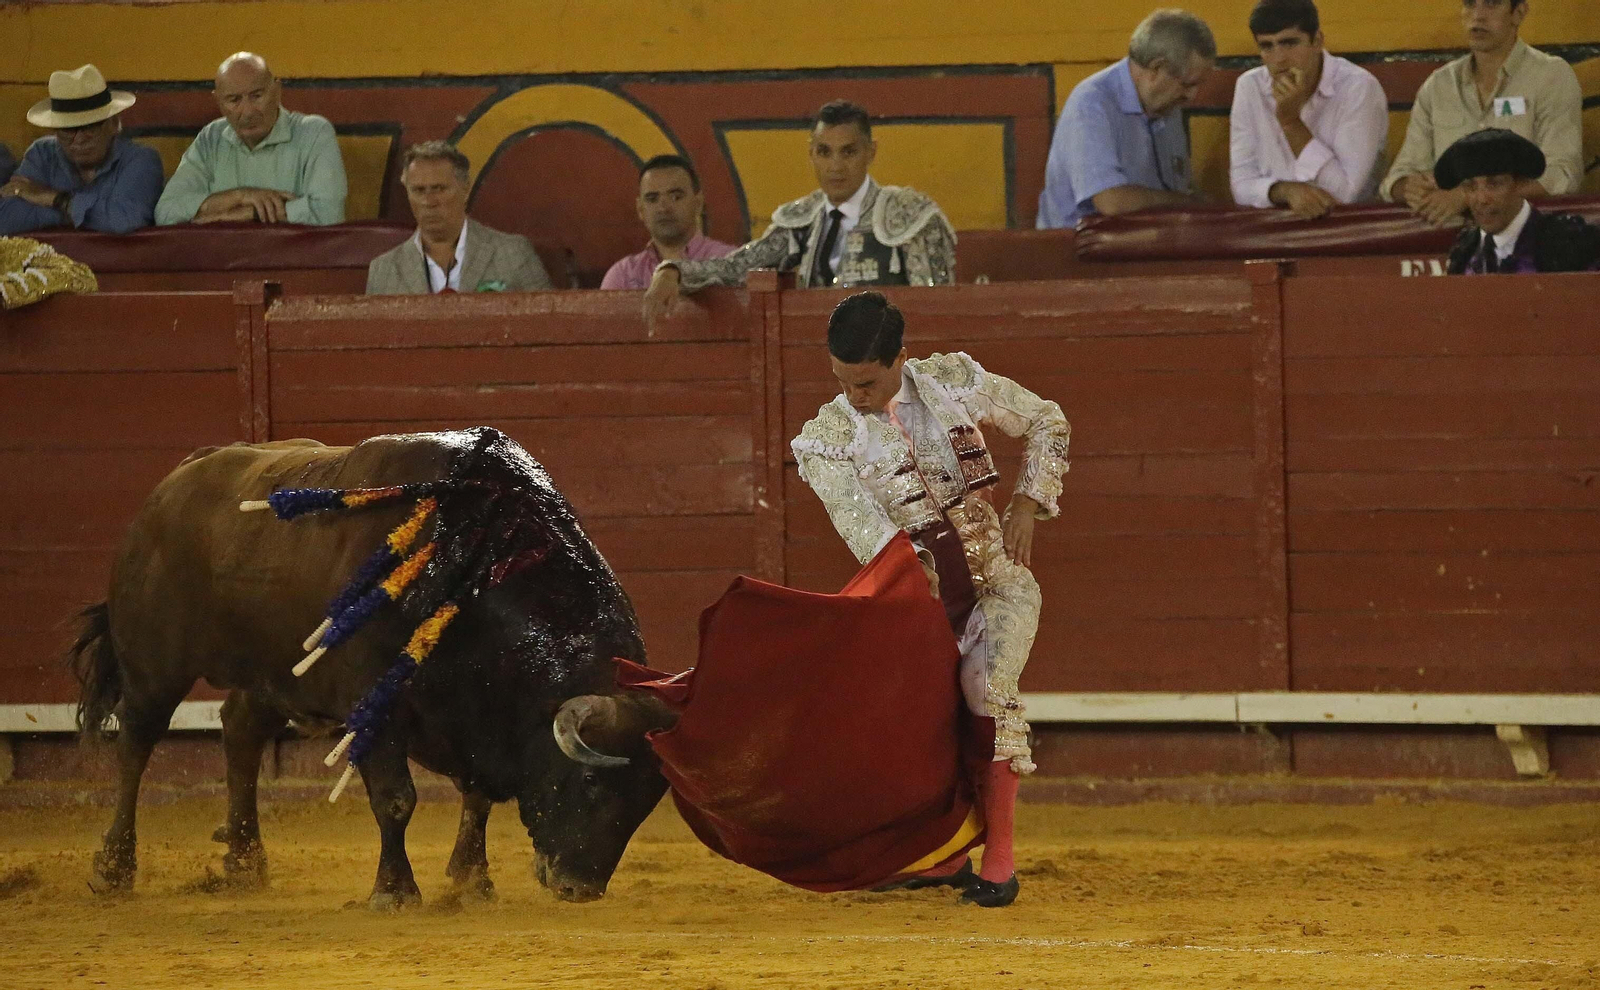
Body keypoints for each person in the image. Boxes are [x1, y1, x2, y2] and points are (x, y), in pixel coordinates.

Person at [790, 291, 1071, 907]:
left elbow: (1047, 419)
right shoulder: (827, 439)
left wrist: (1028, 501)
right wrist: (913, 579)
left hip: (998, 580)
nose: (853, 396)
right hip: (915, 603)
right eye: (842, 381)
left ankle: (999, 861)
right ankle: (946, 857)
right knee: (919, 723)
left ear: (901, 359)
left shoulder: (954, 381)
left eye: (866, 383)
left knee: (986, 689)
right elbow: (864, 527)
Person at [641, 100, 956, 331]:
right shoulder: (801, 221)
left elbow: (936, 311)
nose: (835, 166)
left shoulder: (911, 216)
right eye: (824, 152)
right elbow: (736, 267)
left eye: (848, 152)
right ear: (811, 153)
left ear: (870, 152)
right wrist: (673, 270)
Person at [1382, 0, 1582, 226]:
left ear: (1518, 13)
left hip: (1526, 236)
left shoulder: (1550, 76)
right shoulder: (1439, 85)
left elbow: (1562, 174)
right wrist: (1409, 188)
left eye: (1491, 3)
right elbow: (1398, 176)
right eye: (1470, 4)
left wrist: (1467, 196)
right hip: (1446, 236)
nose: (1478, 16)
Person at [1036, 9, 1216, 229]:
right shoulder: (1092, 103)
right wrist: (1186, 203)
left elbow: (1180, 185)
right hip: (1079, 246)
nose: (1191, 96)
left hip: (1144, 241)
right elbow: (1111, 201)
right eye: (1187, 84)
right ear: (1156, 68)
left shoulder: (1167, 105)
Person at [1228, 0, 1387, 219]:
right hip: (1273, 228)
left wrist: (1291, 123)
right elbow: (1241, 185)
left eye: (1289, 43)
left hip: (1347, 228)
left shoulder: (1358, 87)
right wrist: (1284, 191)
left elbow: (1345, 195)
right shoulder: (1250, 86)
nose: (1279, 59)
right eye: (1267, 46)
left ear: (1317, 41)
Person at [155, 52, 347, 225]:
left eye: (257, 96)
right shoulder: (211, 138)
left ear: (277, 91)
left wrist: (245, 214)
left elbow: (329, 213)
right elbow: (166, 212)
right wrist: (239, 196)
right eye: (234, 100)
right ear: (218, 101)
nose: (247, 112)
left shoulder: (313, 132)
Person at [366, 141, 551, 294]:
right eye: (418, 190)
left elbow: (549, 322)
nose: (428, 201)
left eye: (439, 188)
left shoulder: (513, 254)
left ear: (465, 189)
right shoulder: (383, 270)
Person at [0, 64, 164, 235]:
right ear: (55, 131)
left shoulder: (141, 159)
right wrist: (81, 213)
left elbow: (124, 220)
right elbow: (4, 218)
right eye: (68, 129)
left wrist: (54, 199)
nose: (79, 139)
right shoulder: (42, 154)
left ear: (114, 124)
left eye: (90, 127)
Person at [1437, 130, 1600, 275]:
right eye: (1470, 187)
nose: (1481, 199)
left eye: (1494, 184)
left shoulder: (1572, 244)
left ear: (1522, 184)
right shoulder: (1464, 252)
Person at [601, 154, 736, 290]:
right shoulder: (623, 276)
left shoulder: (731, 263)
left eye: (675, 197)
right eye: (652, 199)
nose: (663, 208)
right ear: (640, 209)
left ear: (698, 203)